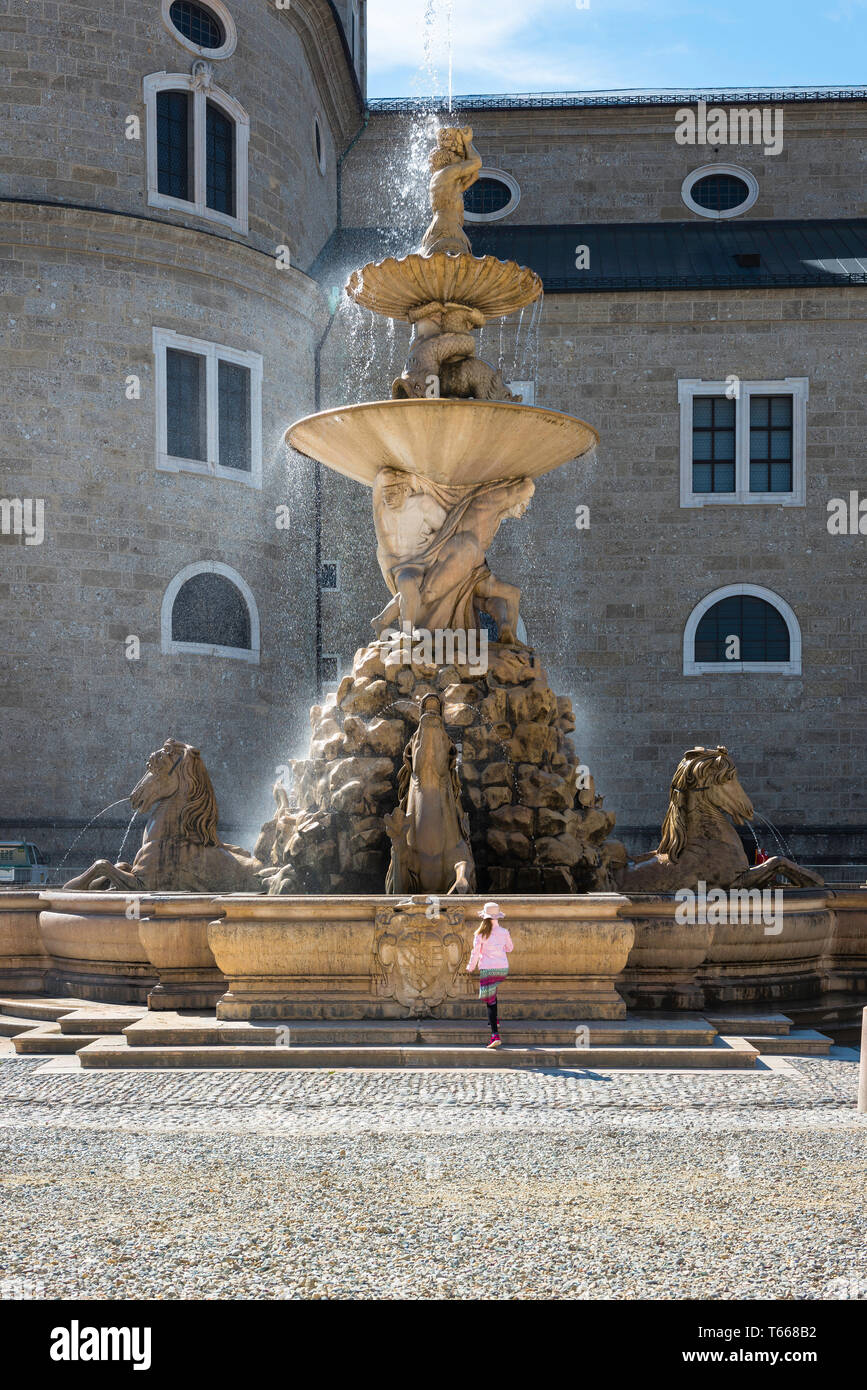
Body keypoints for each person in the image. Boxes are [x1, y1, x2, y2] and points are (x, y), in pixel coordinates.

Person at [466, 901, 513, 1048]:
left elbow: (475, 953)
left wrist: (470, 967)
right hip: (502, 969)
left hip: (487, 969)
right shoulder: (504, 932)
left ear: (484, 917)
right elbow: (510, 948)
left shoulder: (479, 934)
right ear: (497, 917)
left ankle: (494, 1035)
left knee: (490, 1001)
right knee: (492, 994)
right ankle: (495, 1021)